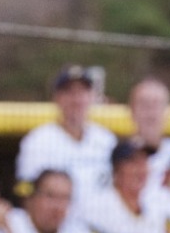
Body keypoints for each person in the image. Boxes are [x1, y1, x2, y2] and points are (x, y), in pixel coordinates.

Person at [14, 65, 116, 202]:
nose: (76, 99)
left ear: (92, 97)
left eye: (82, 92)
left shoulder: (106, 140)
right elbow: (26, 192)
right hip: (60, 222)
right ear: (56, 97)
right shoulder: (37, 141)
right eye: (69, 92)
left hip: (101, 220)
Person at [128, 77, 170, 190]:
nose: (150, 112)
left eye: (156, 104)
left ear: (167, 111)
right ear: (131, 110)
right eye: (144, 104)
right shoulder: (118, 158)